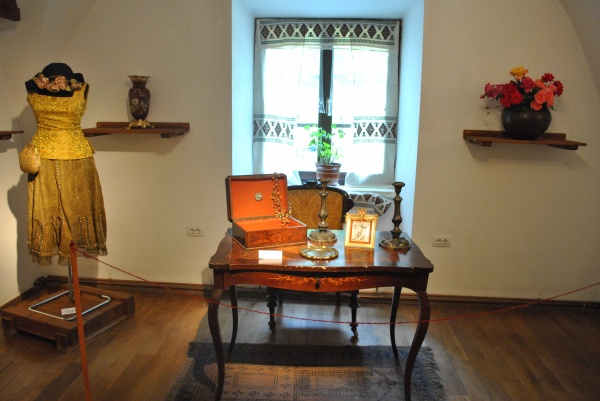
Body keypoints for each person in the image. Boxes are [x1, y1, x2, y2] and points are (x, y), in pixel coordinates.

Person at [25, 63, 107, 266]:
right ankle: (53, 244)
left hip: (77, 157)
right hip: (43, 160)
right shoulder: (34, 88)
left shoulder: (81, 87)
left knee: (78, 206)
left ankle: (75, 243)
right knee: (48, 208)